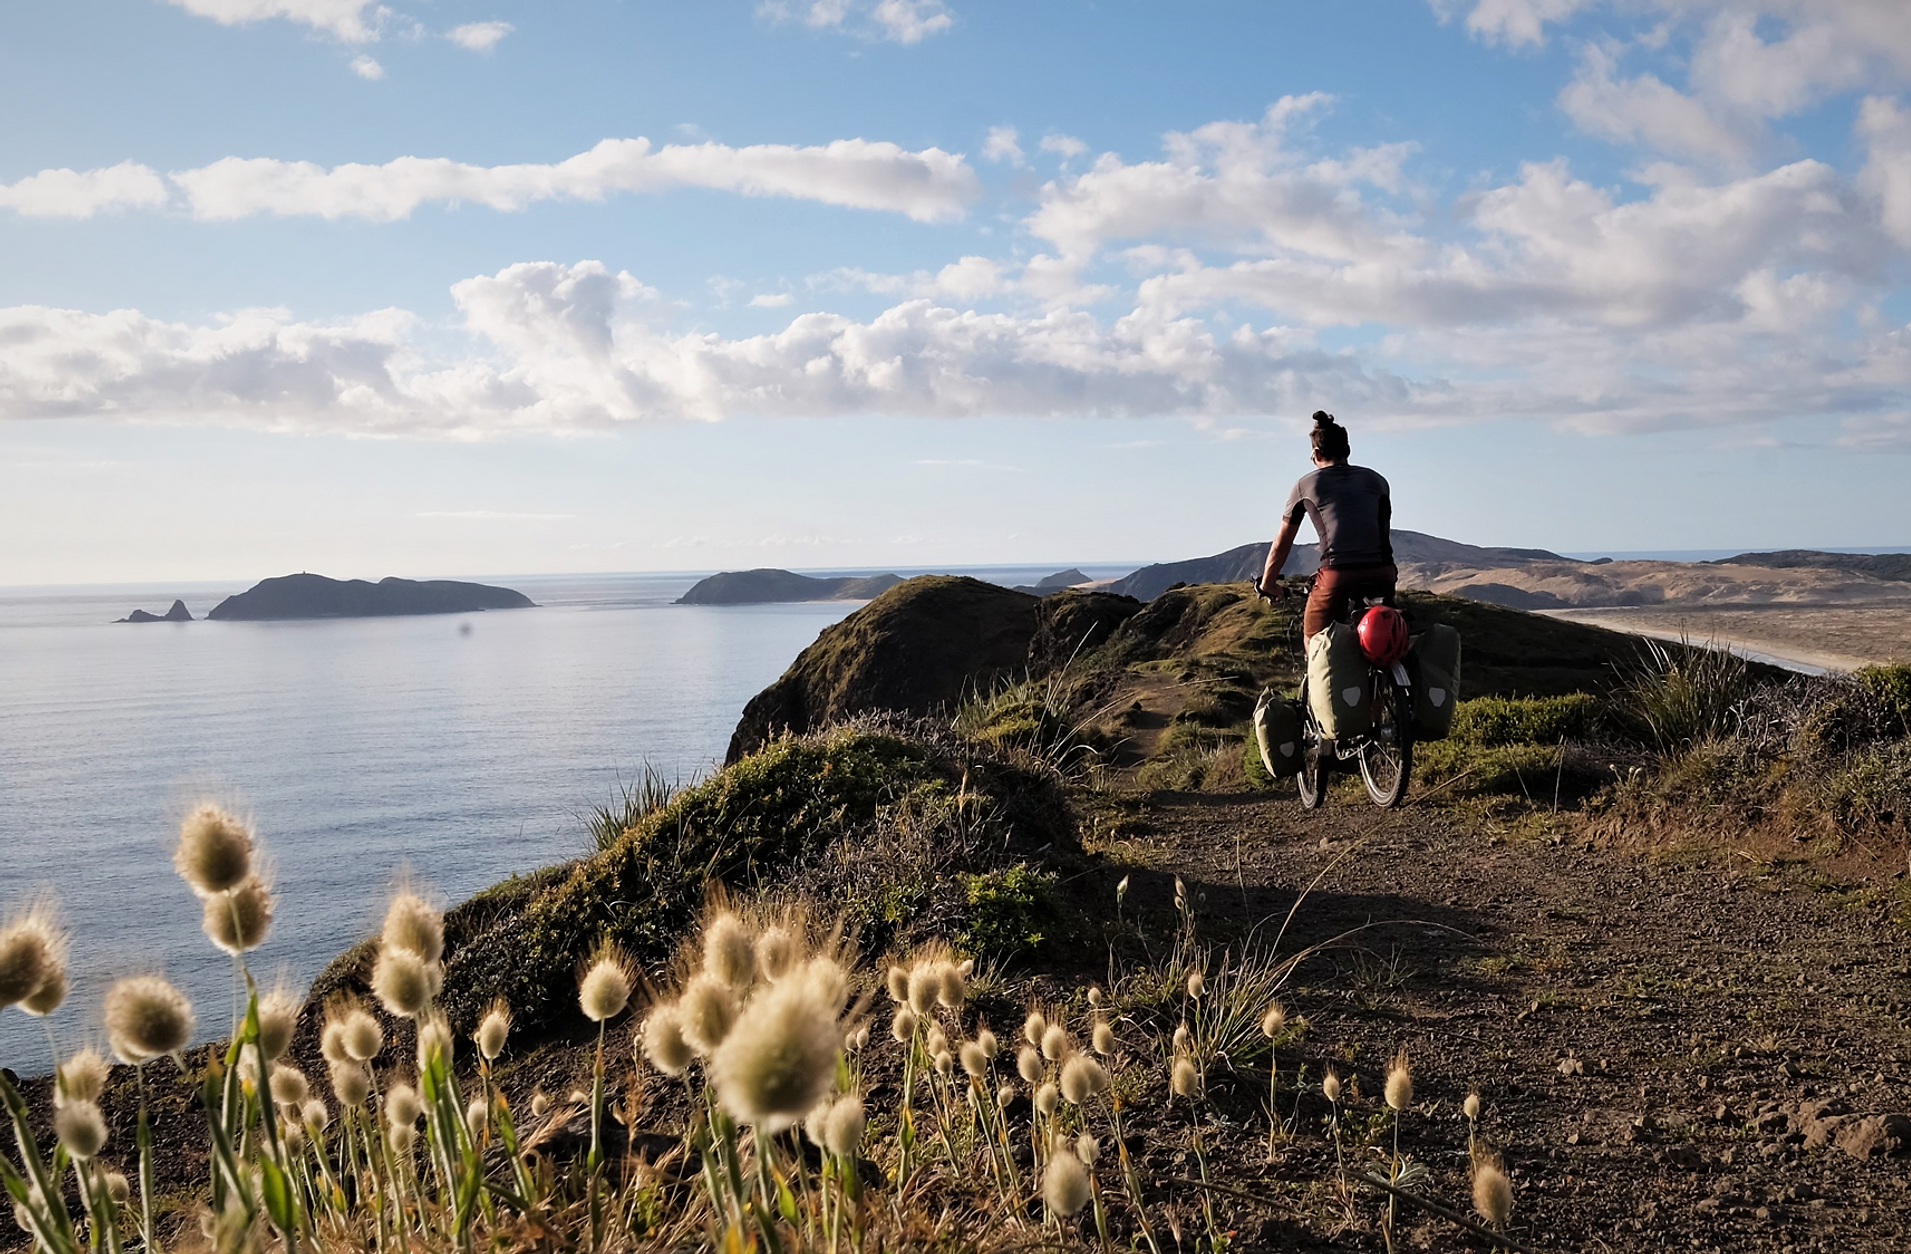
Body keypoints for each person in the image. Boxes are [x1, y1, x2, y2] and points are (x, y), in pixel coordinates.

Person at [1256, 411, 1395, 645]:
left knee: (1316, 644)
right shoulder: (1377, 480)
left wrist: (1268, 584)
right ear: (1348, 451)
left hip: (1336, 573)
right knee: (1385, 635)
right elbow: (1381, 531)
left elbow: (1283, 542)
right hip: (1382, 572)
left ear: (1316, 454)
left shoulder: (1305, 485)